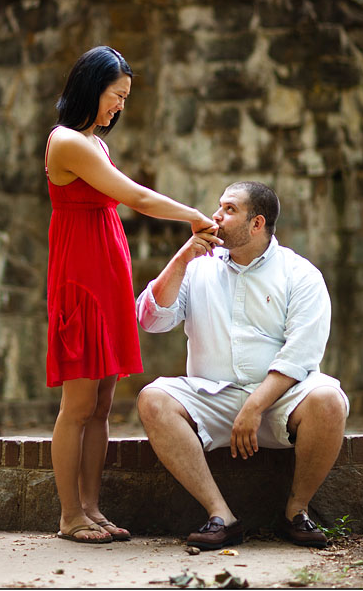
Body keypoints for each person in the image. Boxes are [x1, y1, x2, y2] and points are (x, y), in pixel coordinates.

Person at [45, 46, 215, 545]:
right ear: (91, 86)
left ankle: (92, 508)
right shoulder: (67, 142)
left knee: (101, 405)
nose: (120, 105)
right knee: (76, 405)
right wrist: (193, 216)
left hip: (106, 278)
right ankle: (68, 514)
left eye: (124, 98)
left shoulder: (93, 142)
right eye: (116, 95)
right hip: (80, 281)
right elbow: (135, 197)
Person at [136, 180, 349, 550]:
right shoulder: (197, 266)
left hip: (282, 402)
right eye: (219, 206)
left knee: (329, 399)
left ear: (257, 224)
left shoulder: (300, 274)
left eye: (230, 209)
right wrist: (181, 259)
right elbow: (151, 320)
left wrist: (255, 406)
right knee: (152, 398)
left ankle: (296, 512)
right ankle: (222, 516)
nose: (216, 216)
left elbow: (301, 354)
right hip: (213, 398)